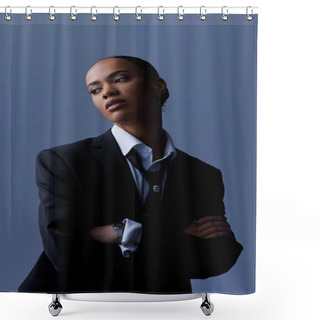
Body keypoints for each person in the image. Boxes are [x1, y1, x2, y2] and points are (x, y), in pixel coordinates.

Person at [19, 56, 243, 294]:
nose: (107, 93)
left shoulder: (203, 174)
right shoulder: (64, 161)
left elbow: (218, 259)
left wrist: (115, 232)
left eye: (121, 78)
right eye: (95, 90)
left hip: (161, 303)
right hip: (71, 301)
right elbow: (65, 252)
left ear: (158, 85)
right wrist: (170, 236)